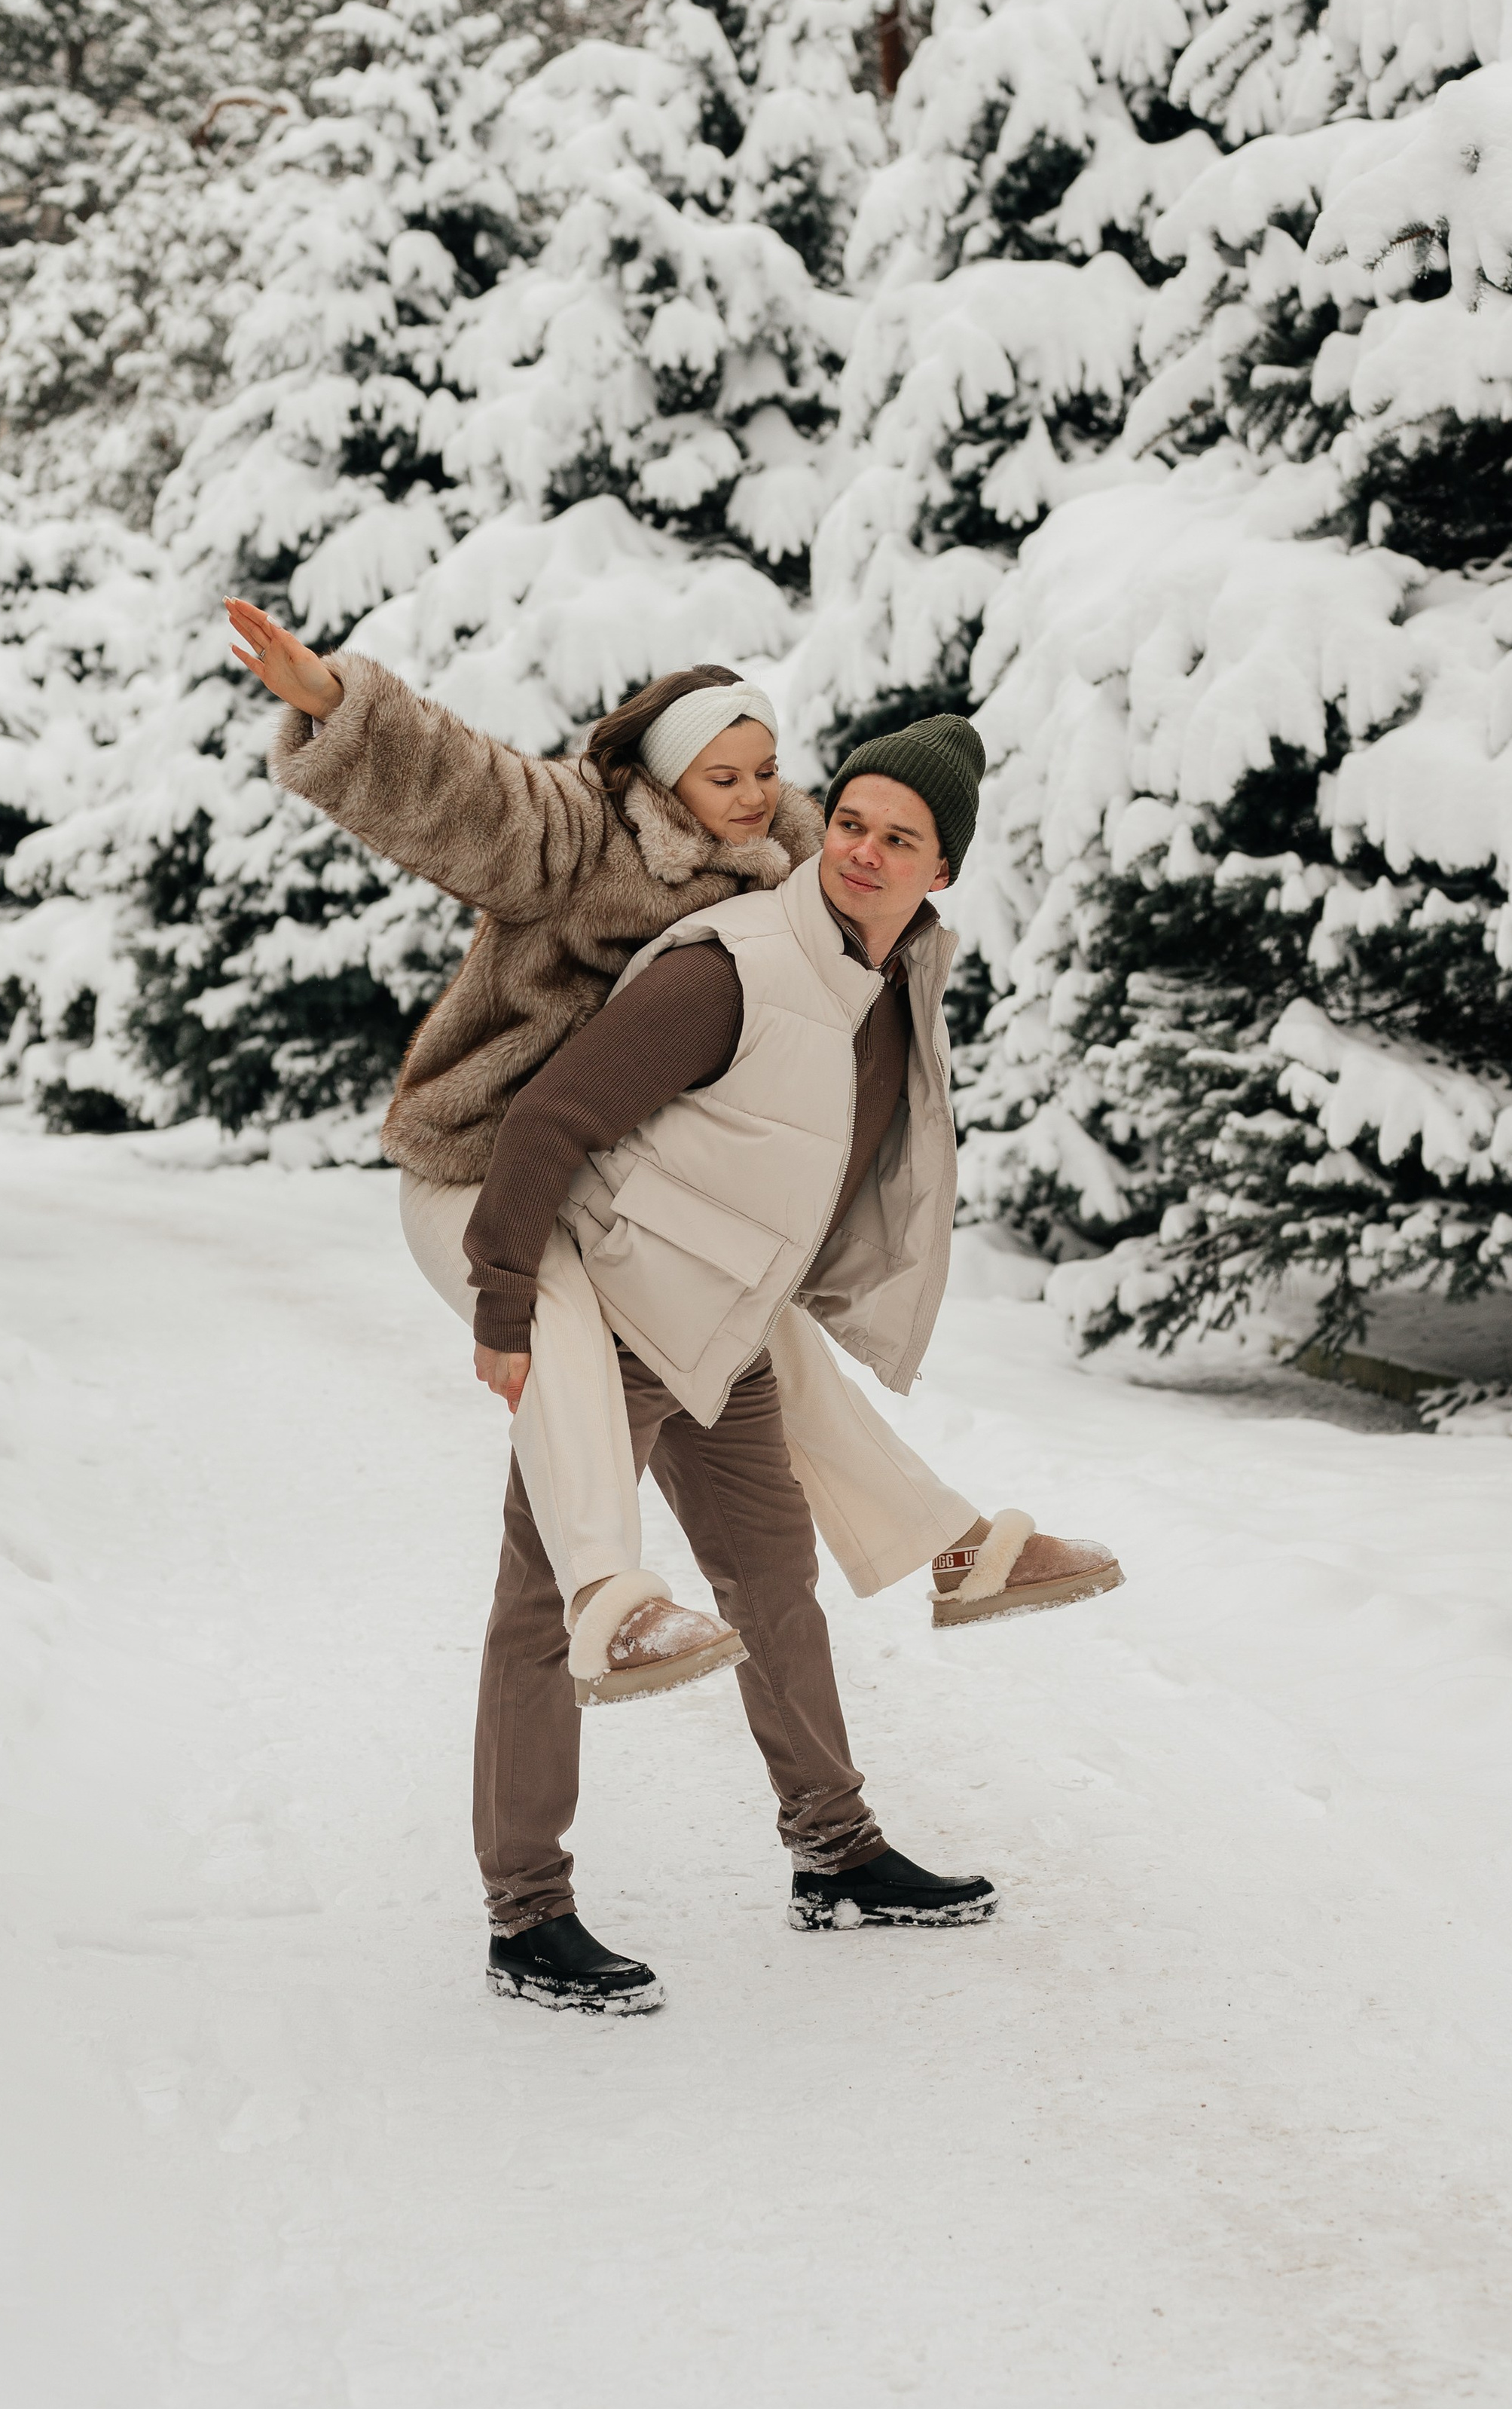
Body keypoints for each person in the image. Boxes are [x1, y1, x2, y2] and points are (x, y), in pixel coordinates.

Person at [228, 604, 1118, 1726]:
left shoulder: (788, 864)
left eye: (765, 771)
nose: (750, 797)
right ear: (659, 779)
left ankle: (955, 1549)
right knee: (554, 1335)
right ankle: (610, 1594)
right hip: (490, 1157)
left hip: (609, 1180)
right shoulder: (580, 838)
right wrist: (344, 710)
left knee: (771, 1332)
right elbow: (468, 788)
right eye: (719, 776)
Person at [463, 716, 1122, 2014]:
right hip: (613, 1317)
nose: (863, 852)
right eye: (856, 822)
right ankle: (524, 1914)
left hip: (727, 1331)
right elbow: (550, 1122)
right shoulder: (732, 968)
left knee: (774, 1581)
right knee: (548, 1610)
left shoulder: (892, 974)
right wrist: (502, 1307)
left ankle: (835, 1851)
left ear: (941, 871)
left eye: (901, 838)